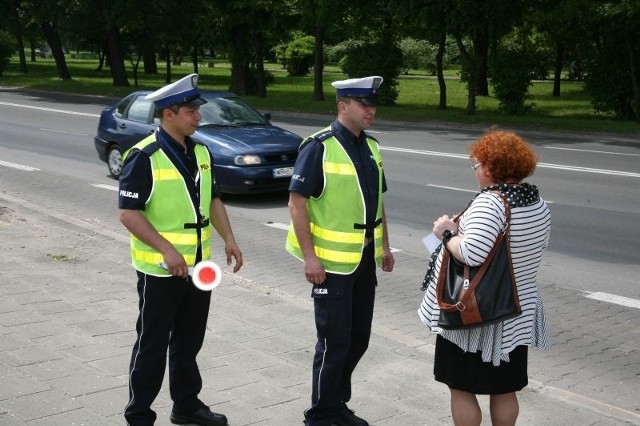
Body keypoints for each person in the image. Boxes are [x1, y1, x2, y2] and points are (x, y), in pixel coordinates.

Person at [119, 74, 243, 426]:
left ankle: (186, 406)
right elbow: (128, 213)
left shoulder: (201, 152)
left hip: (198, 268)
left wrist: (229, 239)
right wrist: (166, 249)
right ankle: (139, 414)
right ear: (169, 113)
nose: (198, 117)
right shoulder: (143, 156)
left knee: (189, 342)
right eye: (191, 110)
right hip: (160, 271)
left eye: (197, 110)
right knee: (152, 344)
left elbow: (214, 199)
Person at [418, 129, 551, 426]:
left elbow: (471, 253)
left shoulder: (490, 203)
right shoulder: (536, 203)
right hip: (516, 308)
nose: (475, 171)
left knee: (461, 385)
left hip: (477, 313)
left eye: (476, 165)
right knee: (504, 387)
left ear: (490, 169)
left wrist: (445, 233)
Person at [286, 76, 395, 426]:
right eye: (364, 104)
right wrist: (310, 257)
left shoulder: (372, 147)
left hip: (363, 261)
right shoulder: (318, 147)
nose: (371, 111)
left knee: (358, 339)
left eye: (373, 105)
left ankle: (334, 402)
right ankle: (320, 413)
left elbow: (377, 202)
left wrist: (385, 247)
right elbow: (296, 202)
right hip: (330, 264)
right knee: (334, 343)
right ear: (343, 106)